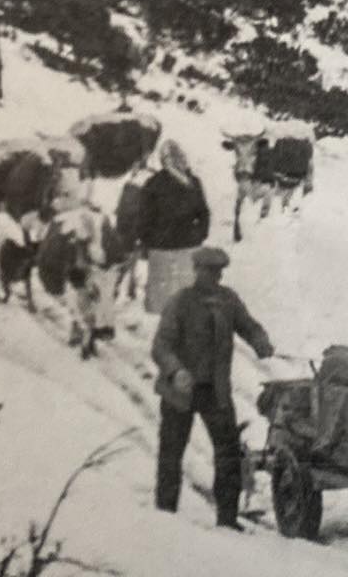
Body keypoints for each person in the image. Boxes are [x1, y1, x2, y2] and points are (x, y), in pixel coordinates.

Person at [152, 246, 273, 530]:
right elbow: (161, 346)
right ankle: (164, 515)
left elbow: (248, 325)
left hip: (214, 391)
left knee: (228, 452)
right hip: (179, 392)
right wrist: (176, 370)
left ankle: (227, 519)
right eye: (208, 272)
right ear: (196, 271)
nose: (213, 277)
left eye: (217, 272)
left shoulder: (228, 300)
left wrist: (261, 341)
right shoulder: (180, 302)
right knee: (172, 453)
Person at [116, 140, 210, 312]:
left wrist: (148, 241)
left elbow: (143, 218)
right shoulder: (190, 182)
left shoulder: (154, 183)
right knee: (184, 297)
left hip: (166, 248)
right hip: (183, 247)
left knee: (164, 299)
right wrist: (199, 235)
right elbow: (203, 213)